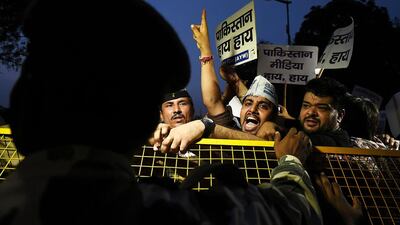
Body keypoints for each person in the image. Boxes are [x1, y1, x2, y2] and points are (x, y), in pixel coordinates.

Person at [0, 1, 324, 224]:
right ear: (144, 122)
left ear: (22, 102)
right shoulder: (167, 214)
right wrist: (292, 161)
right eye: (166, 104)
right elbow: (292, 211)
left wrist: (206, 125)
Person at [191, 9, 280, 140]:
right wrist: (205, 50)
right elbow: (212, 101)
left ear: (273, 116)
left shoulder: (285, 142)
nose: (252, 109)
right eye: (248, 103)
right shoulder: (230, 129)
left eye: (263, 106)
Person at [298, 77, 352, 147]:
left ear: (340, 116)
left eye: (321, 108)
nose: (311, 112)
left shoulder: (333, 143)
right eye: (306, 105)